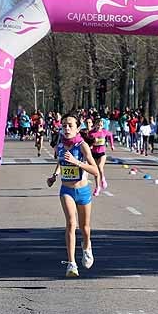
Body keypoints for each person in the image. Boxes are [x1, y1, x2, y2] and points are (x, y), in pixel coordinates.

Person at [47, 115, 99, 278]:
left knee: (85, 228)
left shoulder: (82, 146)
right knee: (71, 223)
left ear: (77, 128)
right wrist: (54, 175)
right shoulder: (60, 145)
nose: (67, 129)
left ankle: (86, 246)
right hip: (66, 190)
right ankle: (71, 264)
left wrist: (77, 162)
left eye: (70, 125)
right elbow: (61, 162)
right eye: (64, 126)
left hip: (82, 191)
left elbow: (95, 170)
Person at [86, 116, 113, 195]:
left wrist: (112, 145)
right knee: (95, 172)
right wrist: (90, 144)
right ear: (95, 125)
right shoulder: (91, 133)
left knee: (100, 167)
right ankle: (97, 187)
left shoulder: (104, 132)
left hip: (102, 153)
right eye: (98, 125)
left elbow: (110, 135)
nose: (99, 127)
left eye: (101, 125)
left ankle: (103, 179)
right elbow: (87, 141)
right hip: (93, 153)